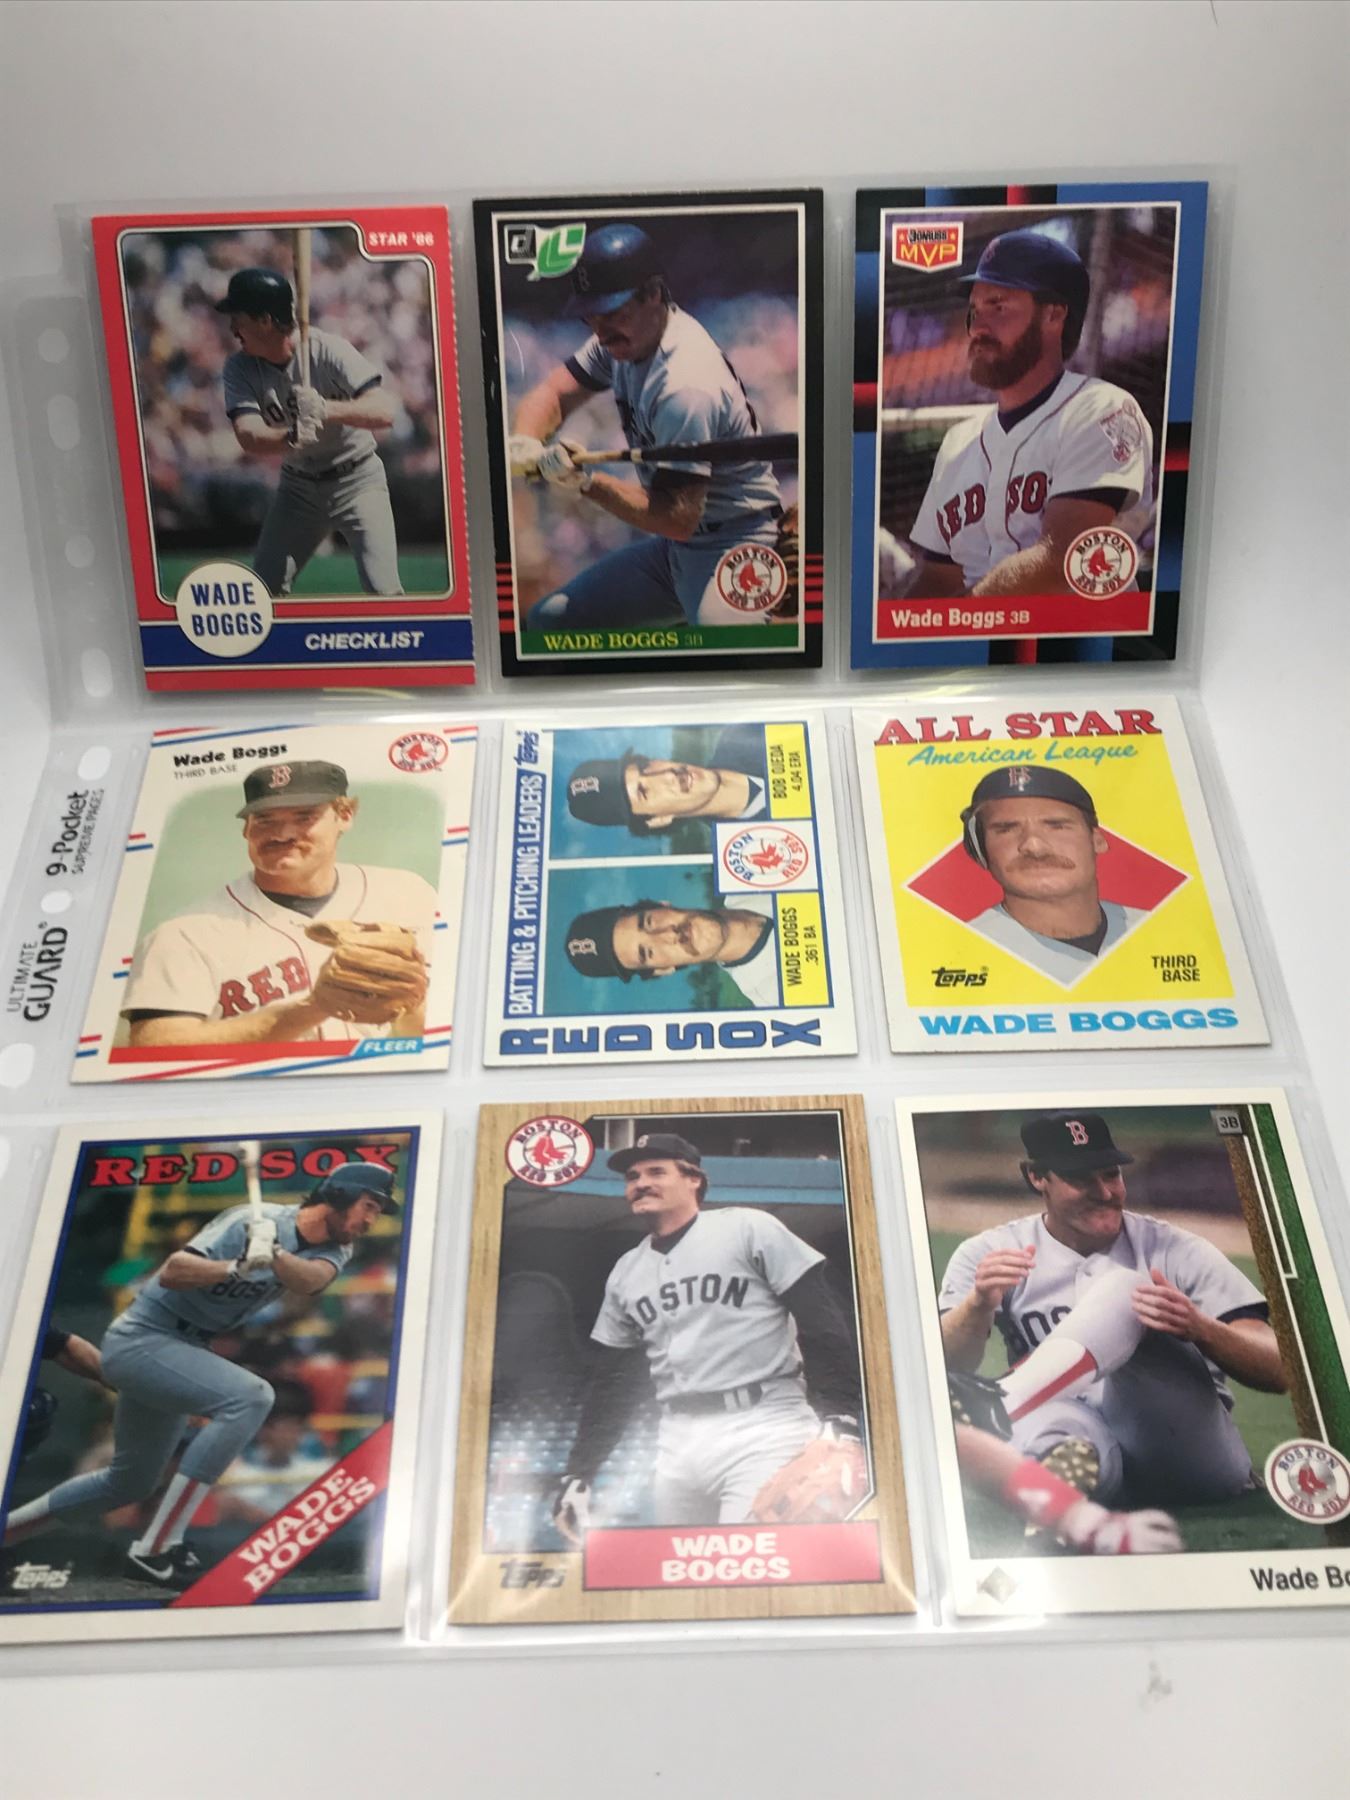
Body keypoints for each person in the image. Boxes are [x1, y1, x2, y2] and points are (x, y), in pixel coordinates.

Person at [2, 1164, 395, 1591]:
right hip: (145, 1337)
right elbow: (173, 1272)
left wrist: (274, 1255)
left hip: (184, 1350)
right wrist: (235, 1268)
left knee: (129, 1482)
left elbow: (311, 1280)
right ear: (340, 1194)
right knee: (251, 1397)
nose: (371, 1220)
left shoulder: (337, 1248)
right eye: (369, 1206)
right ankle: (157, 1548)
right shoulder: (249, 1220)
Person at [938, 1111, 1287, 1510]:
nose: (1104, 1192)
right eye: (1081, 1178)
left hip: (1182, 1451)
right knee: (1058, 1428)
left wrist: (1202, 1329)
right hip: (1078, 1435)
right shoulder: (988, 1253)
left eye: (1111, 1174)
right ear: (1037, 1177)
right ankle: (1062, 1494)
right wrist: (977, 1305)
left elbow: (1278, 1369)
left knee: (1130, 1289)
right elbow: (947, 1364)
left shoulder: (1176, 1250)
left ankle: (1000, 1403)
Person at [552, 1134, 864, 1535]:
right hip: (676, 1438)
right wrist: (580, 1470)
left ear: (693, 1179)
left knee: (748, 1556)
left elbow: (821, 1321)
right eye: (632, 1176)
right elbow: (612, 1380)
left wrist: (840, 1414)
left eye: (656, 1172)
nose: (641, 1183)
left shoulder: (748, 1228)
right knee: (681, 1563)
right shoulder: (626, 1271)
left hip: (763, 1423)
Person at [507, 223, 789, 631]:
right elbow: (555, 392)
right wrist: (525, 440)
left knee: (726, 655)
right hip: (676, 551)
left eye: (612, 312)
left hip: (736, 546)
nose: (600, 329)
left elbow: (676, 517)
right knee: (549, 621)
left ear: (654, 294)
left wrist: (586, 482)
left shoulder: (685, 384)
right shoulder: (624, 338)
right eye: (591, 315)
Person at [902, 229, 1154, 601]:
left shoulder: (1101, 409)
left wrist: (959, 620)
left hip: (1077, 635)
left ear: (1053, 315)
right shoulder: (959, 442)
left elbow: (1061, 561)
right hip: (974, 633)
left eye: (998, 306)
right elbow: (937, 580)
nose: (977, 327)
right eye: (975, 311)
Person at [120, 759, 434, 1048]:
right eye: (265, 819)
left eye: (304, 816)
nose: (282, 833)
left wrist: (410, 999)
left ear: (344, 816)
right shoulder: (183, 934)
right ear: (246, 829)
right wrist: (314, 1008)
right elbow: (153, 1046)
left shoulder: (407, 893)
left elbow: (435, 1032)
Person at [215, 265, 403, 597]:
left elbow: (385, 412)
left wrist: (326, 409)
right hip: (298, 490)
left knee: (384, 589)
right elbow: (248, 435)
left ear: (265, 320)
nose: (232, 328)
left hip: (358, 481)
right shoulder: (239, 367)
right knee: (262, 593)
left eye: (238, 318)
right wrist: (290, 437)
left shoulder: (326, 348)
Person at [959, 765, 1147, 981]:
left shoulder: (1156, 928)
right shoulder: (964, 947)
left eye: (1057, 826)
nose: (1034, 847)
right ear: (979, 848)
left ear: (1097, 840)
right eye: (1006, 829)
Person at [564, 897, 777, 1007]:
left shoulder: (750, 872)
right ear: (663, 970)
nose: (668, 935)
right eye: (647, 953)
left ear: (662, 904)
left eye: (649, 922)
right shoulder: (773, 997)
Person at [565, 723, 768, 836]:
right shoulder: (750, 849)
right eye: (643, 792)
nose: (669, 775)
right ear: (658, 820)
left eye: (645, 767)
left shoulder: (748, 731)